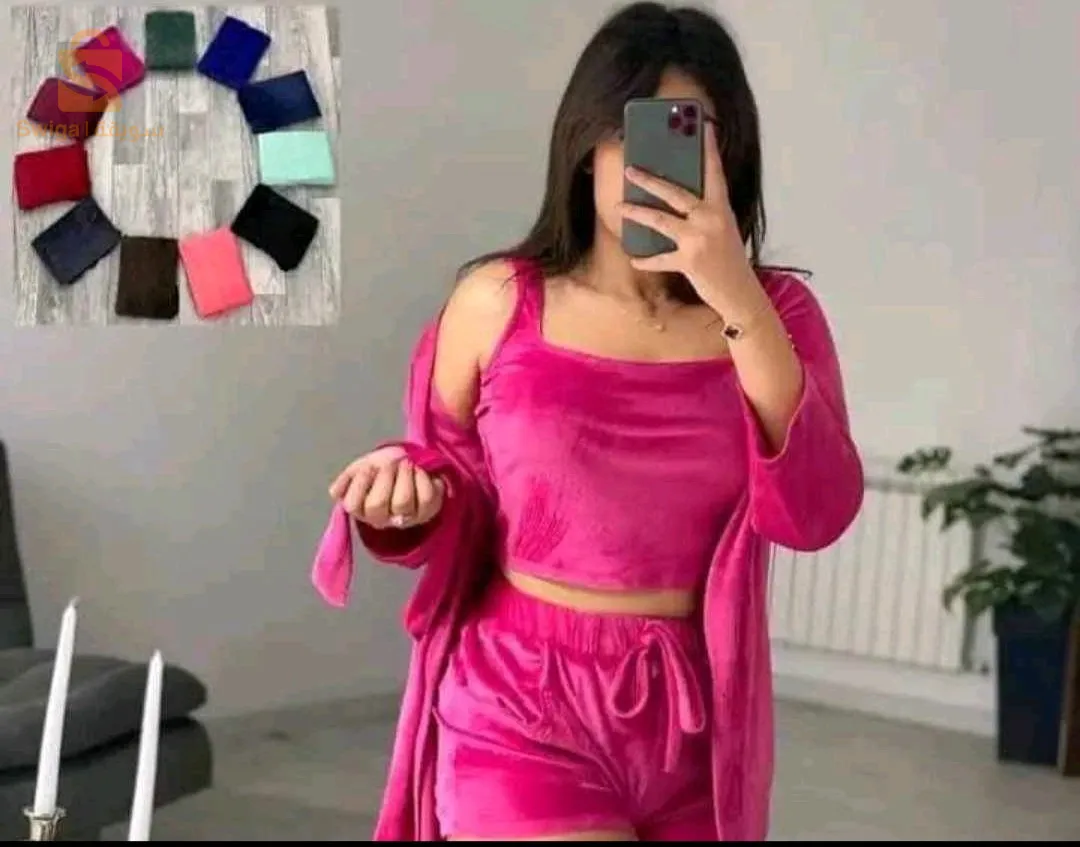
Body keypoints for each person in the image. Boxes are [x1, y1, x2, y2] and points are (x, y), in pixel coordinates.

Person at [327, 2, 863, 841]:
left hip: (699, 715)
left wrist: (736, 296)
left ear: (730, 153)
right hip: (520, 697)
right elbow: (451, 477)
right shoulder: (497, 300)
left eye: (690, 132)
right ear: (585, 145)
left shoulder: (777, 315)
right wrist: (404, 492)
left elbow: (817, 510)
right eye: (635, 129)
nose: (655, 164)